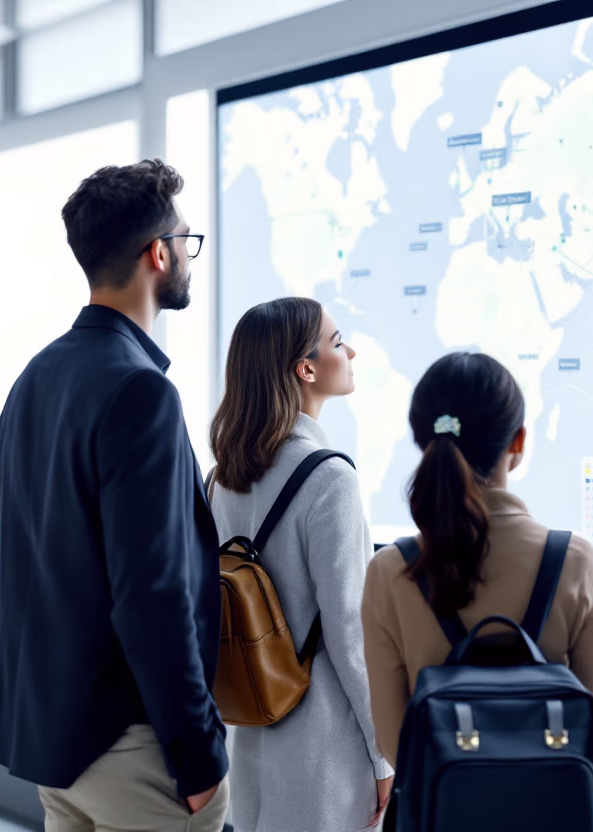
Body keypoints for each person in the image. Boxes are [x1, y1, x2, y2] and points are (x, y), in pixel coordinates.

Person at [0, 160, 229, 832]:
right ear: (158, 254)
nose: (188, 253)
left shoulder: (32, 380)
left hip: (59, 747)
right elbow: (153, 593)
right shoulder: (140, 390)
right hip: (138, 751)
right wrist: (200, 754)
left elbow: (19, 559)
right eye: (186, 240)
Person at [361, 351, 593, 769]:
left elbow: (395, 744)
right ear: (518, 442)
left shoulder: (391, 570)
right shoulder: (572, 559)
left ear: (425, 442)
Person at [208, 298, 394, 832]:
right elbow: (350, 633)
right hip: (324, 750)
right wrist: (382, 756)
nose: (350, 349)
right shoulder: (330, 478)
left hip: (251, 738)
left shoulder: (220, 478)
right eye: (338, 342)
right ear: (305, 369)